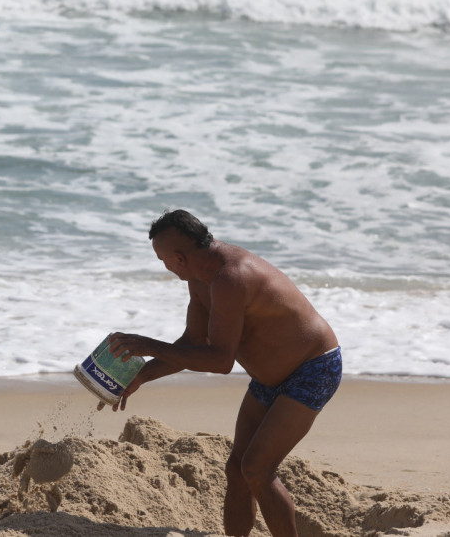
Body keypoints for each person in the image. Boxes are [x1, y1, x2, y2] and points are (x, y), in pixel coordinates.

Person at [103, 209, 341, 537]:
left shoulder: (231, 277)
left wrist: (148, 344)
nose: (165, 267)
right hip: (269, 379)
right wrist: (141, 375)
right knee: (237, 471)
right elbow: (191, 344)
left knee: (257, 469)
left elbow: (219, 361)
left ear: (180, 257)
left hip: (313, 368)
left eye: (162, 260)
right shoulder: (200, 280)